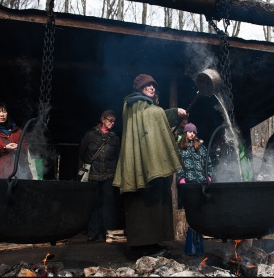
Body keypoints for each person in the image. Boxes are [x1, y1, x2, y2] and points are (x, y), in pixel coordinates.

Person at [112, 74, 188, 259]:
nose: (152, 88)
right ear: (139, 88)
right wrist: (172, 111)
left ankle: (153, 243)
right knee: (141, 203)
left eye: (153, 85)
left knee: (155, 200)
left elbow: (157, 120)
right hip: (139, 161)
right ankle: (140, 247)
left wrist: (174, 114)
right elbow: (153, 116)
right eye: (147, 86)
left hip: (152, 161)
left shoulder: (151, 107)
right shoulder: (134, 103)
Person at [79, 109, 121, 242]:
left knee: (109, 206)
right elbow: (82, 153)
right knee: (94, 204)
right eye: (110, 120)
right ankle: (93, 233)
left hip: (109, 175)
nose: (112, 123)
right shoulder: (90, 136)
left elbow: (118, 156)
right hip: (92, 175)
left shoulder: (115, 138)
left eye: (114, 121)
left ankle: (109, 234)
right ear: (103, 119)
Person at [176, 123, 212, 255]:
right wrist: (181, 178)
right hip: (188, 184)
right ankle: (191, 244)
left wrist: (208, 176)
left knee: (200, 211)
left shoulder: (200, 147)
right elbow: (178, 165)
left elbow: (208, 162)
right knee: (190, 211)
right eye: (189, 132)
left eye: (194, 132)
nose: (192, 134)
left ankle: (199, 244)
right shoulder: (180, 148)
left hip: (200, 183)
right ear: (185, 133)